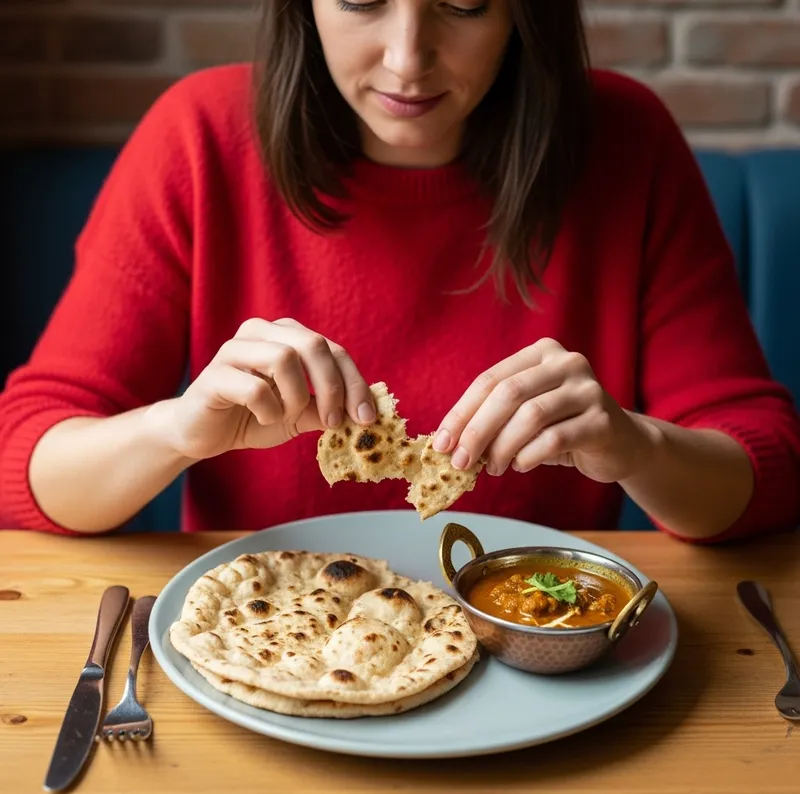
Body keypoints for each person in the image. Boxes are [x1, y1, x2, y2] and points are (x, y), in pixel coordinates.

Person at [1, 0, 798, 544]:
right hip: (265, 647)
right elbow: (24, 460)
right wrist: (176, 431)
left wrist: (635, 446)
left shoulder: (627, 144)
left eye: (463, 4)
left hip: (529, 658)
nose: (407, 59)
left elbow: (768, 468)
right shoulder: (198, 137)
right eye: (361, 0)